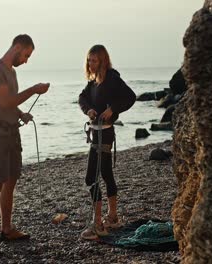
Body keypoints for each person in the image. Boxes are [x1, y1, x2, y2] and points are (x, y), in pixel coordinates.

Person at [0, 34, 50, 257]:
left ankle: (7, 229)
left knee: (11, 182)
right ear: (17, 47)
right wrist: (33, 90)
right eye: (26, 55)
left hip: (12, 133)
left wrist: (22, 114)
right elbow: (5, 101)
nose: (26, 60)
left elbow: (11, 105)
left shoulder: (12, 72)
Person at [78, 44, 136, 240]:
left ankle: (98, 225)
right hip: (95, 133)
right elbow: (82, 98)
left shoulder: (111, 77)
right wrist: (89, 111)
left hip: (106, 133)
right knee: (105, 174)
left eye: (94, 60)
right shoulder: (93, 81)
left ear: (102, 61)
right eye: (89, 60)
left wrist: (113, 109)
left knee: (91, 177)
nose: (90, 63)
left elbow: (130, 97)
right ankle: (112, 217)